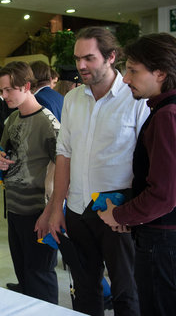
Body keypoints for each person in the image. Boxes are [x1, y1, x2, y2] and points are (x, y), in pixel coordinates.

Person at [36, 27, 149, 316]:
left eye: (89, 58)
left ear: (111, 57)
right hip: (77, 209)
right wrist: (56, 207)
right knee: (84, 289)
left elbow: (147, 161)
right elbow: (64, 155)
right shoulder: (73, 100)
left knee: (126, 291)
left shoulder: (135, 99)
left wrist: (134, 213)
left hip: (118, 213)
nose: (81, 66)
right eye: (77, 59)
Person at [98, 33, 176, 316]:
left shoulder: (167, 115)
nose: (126, 78)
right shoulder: (164, 111)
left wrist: (119, 215)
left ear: (161, 73)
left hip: (162, 242)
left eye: (133, 70)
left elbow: (164, 195)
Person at [0, 63, 60, 304]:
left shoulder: (48, 122)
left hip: (39, 212)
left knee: (40, 276)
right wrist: (0, 160)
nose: (5, 95)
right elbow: (3, 153)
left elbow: (63, 171)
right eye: (2, 90)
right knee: (24, 274)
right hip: (15, 209)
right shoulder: (11, 119)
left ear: (27, 86)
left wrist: (51, 212)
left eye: (9, 89)